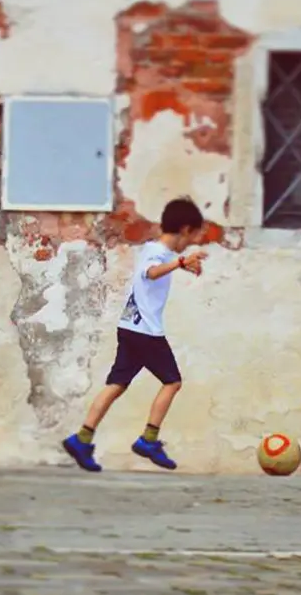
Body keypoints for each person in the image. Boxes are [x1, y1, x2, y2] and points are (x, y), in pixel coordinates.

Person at [63, 197, 208, 473]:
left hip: (129, 328)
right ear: (185, 230)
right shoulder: (157, 253)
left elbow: (157, 271)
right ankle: (148, 439)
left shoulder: (157, 251)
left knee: (117, 384)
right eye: (193, 236)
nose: (191, 243)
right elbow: (151, 273)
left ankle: (82, 438)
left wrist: (183, 264)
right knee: (172, 382)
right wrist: (180, 262)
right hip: (146, 333)